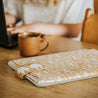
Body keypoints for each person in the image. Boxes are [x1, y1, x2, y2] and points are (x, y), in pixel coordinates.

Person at [4, 0, 94, 40]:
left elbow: (75, 30)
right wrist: (6, 20)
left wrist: (34, 28)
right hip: (30, 43)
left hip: (64, 49)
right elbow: (13, 14)